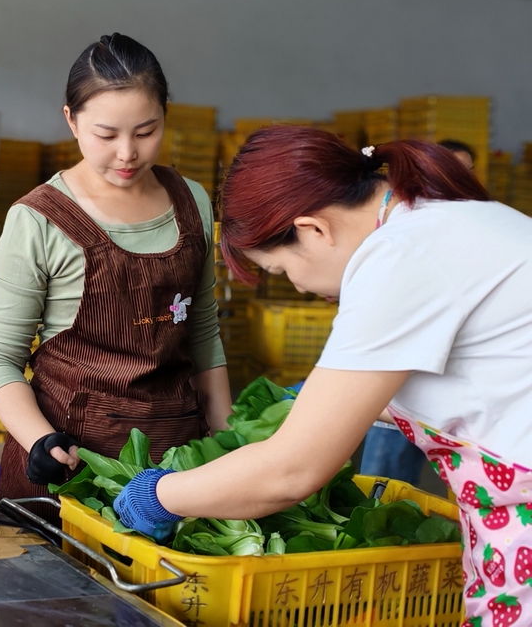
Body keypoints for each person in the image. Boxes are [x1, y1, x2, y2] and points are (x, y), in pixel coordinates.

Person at [114, 126, 532, 624]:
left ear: (313, 229)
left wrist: (160, 496)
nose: (299, 286)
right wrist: (307, 404)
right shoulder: (438, 222)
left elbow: (291, 472)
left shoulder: (398, 259)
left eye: (281, 271)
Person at [0, 33, 231, 514]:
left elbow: (203, 333)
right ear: (71, 121)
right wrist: (39, 440)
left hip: (176, 470)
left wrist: (225, 434)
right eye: (106, 135)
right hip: (70, 463)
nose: (127, 153)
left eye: (146, 131)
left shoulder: (192, 201)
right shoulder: (39, 219)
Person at [359, 136, 480, 486]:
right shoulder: (401, 233)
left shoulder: (474, 229)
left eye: (467, 171)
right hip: (404, 381)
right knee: (382, 488)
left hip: (435, 383)